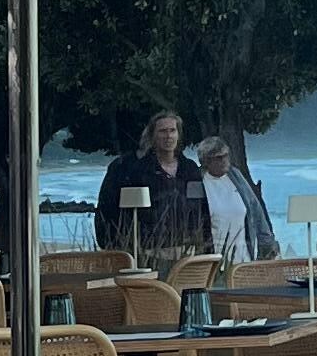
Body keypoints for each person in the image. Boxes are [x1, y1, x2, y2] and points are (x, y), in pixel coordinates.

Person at [93, 108, 243, 262]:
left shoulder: (189, 169)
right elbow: (108, 211)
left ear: (178, 134)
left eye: (172, 130)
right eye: (162, 131)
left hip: (187, 254)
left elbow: (200, 209)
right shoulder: (136, 171)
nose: (168, 136)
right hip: (149, 254)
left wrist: (206, 249)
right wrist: (119, 248)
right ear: (152, 136)